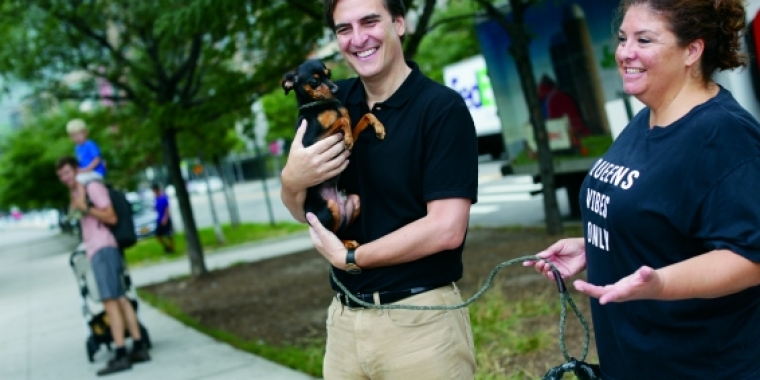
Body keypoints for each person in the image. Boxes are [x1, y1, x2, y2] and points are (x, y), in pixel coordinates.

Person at [526, 1, 760, 378]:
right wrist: (599, 243)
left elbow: (751, 257)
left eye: (644, 40)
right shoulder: (646, 119)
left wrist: (662, 283)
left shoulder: (725, 134)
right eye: (622, 39)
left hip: (700, 365)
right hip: (635, 360)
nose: (625, 53)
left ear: (692, 51)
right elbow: (665, 220)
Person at [279, 0, 479, 378]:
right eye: (344, 29)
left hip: (421, 324)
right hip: (343, 322)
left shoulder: (440, 109)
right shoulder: (329, 103)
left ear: (399, 23)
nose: (358, 39)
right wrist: (292, 180)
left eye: (370, 21)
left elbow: (447, 229)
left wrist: (352, 259)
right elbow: (304, 210)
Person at [56, 156, 150, 376]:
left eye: (68, 172)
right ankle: (138, 346)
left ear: (77, 170)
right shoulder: (79, 191)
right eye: (61, 175)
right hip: (98, 248)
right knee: (120, 298)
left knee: (110, 301)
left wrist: (85, 207)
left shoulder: (92, 187)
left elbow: (111, 216)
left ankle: (120, 353)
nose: (65, 178)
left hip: (103, 248)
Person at [66, 118, 106, 183]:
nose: (77, 137)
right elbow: (81, 161)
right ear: (70, 137)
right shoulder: (77, 148)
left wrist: (86, 170)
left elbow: (97, 159)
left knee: (78, 181)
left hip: (95, 171)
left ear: (85, 133)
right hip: (86, 173)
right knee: (72, 179)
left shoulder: (90, 144)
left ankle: (81, 193)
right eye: (74, 136)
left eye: (79, 134)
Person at [151, 182, 175, 253]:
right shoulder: (156, 198)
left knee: (169, 235)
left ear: (156, 190)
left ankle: (172, 248)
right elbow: (156, 208)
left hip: (165, 219)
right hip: (159, 219)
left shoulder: (164, 197)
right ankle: (166, 247)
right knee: (158, 235)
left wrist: (165, 218)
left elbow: (167, 209)